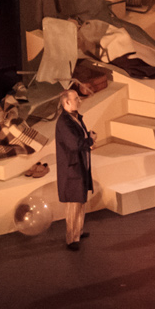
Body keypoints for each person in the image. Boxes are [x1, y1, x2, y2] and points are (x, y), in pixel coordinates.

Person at [53, 87, 95, 251]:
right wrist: (90, 140)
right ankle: (71, 238)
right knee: (73, 204)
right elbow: (74, 144)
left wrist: (88, 137)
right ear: (67, 102)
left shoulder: (75, 118)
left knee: (80, 201)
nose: (79, 100)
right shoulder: (64, 122)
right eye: (76, 98)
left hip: (78, 165)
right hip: (72, 168)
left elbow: (79, 138)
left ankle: (78, 231)